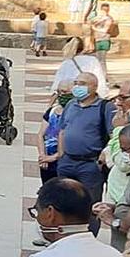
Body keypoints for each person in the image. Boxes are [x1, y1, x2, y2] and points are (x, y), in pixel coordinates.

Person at [54, 69, 116, 199]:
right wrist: (61, 154)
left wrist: (102, 158)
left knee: (89, 201)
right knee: (62, 200)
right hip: (67, 161)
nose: (77, 87)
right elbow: (62, 130)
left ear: (94, 87)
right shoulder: (71, 104)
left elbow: (113, 135)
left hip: (90, 163)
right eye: (76, 83)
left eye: (82, 83)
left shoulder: (105, 107)